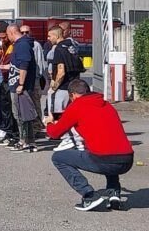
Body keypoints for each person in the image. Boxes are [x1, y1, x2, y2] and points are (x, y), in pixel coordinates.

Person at [46, 79, 134, 211]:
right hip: (127, 159)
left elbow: (54, 133)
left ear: (72, 95)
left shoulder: (76, 106)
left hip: (104, 160)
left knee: (58, 158)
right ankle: (114, 194)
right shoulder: (107, 105)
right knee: (107, 147)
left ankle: (89, 195)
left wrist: (49, 123)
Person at [47, 26, 85, 152]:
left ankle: (66, 139)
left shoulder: (58, 49)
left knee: (58, 114)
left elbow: (61, 71)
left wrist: (54, 87)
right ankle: (78, 140)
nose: (48, 38)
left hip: (62, 87)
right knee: (72, 116)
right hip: (73, 87)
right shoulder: (72, 47)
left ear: (57, 36)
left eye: (50, 36)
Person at [6, 24, 38, 153]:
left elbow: (24, 65)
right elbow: (16, 65)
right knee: (22, 114)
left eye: (8, 35)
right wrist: (2, 67)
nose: (8, 38)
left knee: (21, 115)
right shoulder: (19, 45)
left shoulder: (22, 45)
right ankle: (28, 141)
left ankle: (25, 141)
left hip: (21, 87)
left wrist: (21, 84)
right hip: (17, 84)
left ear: (12, 32)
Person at [0, 22, 18, 143]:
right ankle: (7, 130)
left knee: (13, 109)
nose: (2, 40)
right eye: (0, 38)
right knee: (4, 107)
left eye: (4, 37)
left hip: (12, 79)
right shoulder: (3, 44)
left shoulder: (15, 45)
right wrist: (0, 57)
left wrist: (1, 66)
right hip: (3, 78)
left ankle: (14, 134)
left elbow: (16, 65)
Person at [20, 24, 47, 135]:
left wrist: (38, 78)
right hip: (23, 78)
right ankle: (28, 127)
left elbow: (40, 63)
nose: (25, 34)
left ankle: (37, 127)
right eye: (22, 32)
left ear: (31, 33)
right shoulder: (19, 44)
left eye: (27, 32)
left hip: (34, 78)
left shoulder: (35, 45)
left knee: (35, 103)